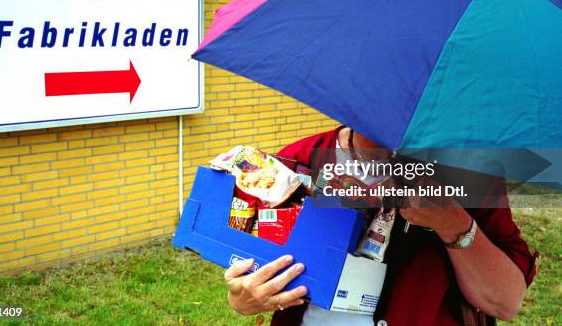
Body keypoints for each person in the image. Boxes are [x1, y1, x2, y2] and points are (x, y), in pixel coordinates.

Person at [224, 126, 538, 325]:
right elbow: (252, 276)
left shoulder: (470, 175)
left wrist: (454, 223)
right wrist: (243, 298)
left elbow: (505, 302)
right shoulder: (298, 162)